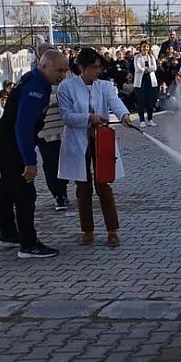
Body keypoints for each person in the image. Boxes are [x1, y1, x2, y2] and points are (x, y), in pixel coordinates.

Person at [0, 49, 71, 259]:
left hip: (5, 140)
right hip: (11, 143)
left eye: (65, 71)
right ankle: (28, 244)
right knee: (25, 193)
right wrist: (30, 160)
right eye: (59, 70)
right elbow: (23, 127)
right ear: (44, 66)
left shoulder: (36, 80)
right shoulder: (36, 88)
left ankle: (8, 234)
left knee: (8, 186)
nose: (62, 75)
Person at [58, 48, 134, 247]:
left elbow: (115, 102)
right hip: (78, 140)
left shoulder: (105, 86)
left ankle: (112, 230)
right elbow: (66, 116)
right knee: (83, 188)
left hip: (101, 140)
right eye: (93, 67)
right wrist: (88, 118)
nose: (97, 71)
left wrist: (124, 116)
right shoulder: (66, 87)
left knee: (104, 185)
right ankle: (87, 230)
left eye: (100, 67)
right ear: (81, 67)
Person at [33, 43, 70, 211]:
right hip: (45, 129)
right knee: (50, 163)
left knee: (63, 162)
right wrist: (56, 100)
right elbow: (39, 101)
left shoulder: (64, 75)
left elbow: (69, 96)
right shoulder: (34, 78)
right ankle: (58, 195)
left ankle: (63, 191)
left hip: (63, 127)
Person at [133, 40, 159, 126]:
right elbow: (137, 68)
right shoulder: (137, 57)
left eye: (147, 46)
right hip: (140, 81)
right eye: (144, 46)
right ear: (140, 47)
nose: (145, 48)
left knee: (150, 101)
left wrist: (147, 69)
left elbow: (154, 67)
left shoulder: (151, 57)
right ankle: (142, 120)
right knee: (141, 101)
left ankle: (150, 119)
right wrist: (145, 69)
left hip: (151, 81)